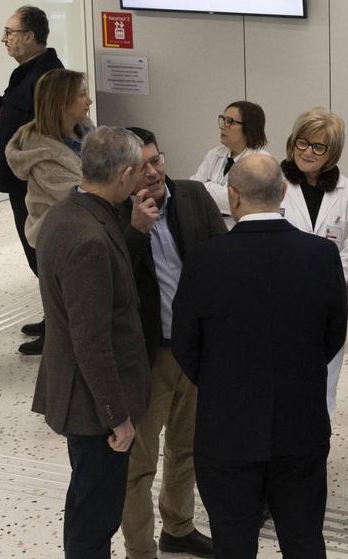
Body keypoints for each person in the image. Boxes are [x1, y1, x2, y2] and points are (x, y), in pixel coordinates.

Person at [172, 154, 347, 559]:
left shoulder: (204, 260)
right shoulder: (321, 256)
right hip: (300, 426)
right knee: (304, 539)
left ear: (232, 196)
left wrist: (219, 381)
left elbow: (185, 342)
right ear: (283, 191)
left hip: (227, 430)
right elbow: (333, 335)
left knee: (232, 542)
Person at [32, 127, 151, 559]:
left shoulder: (68, 212)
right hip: (94, 405)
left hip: (82, 395)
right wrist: (117, 417)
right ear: (124, 175)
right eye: (138, 170)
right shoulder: (88, 238)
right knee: (96, 517)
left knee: (86, 500)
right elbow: (92, 341)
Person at [119, 127, 224, 559]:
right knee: (139, 462)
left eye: (156, 160)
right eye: (140, 166)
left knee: (187, 448)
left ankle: (178, 528)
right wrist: (136, 231)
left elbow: (222, 262)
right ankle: (140, 549)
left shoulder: (194, 197)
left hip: (195, 351)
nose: (152, 172)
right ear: (124, 173)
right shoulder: (116, 215)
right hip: (149, 356)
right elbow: (111, 280)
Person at [0, 5, 63, 343]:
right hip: (18, 180)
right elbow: (20, 116)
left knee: (43, 253)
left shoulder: (49, 76)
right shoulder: (24, 72)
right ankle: (52, 316)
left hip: (35, 183)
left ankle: (59, 327)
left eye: (10, 32)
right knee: (33, 252)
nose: (4, 39)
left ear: (29, 36)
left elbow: (49, 130)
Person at [279, 107, 348, 412]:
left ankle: (319, 435)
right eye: (302, 142)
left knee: (324, 383)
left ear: (333, 152)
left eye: (319, 146)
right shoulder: (275, 183)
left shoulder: (347, 191)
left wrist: (326, 286)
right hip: (281, 296)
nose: (308, 152)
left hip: (326, 300)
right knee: (283, 380)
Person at [5, 68, 94, 355]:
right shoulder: (41, 151)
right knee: (68, 305)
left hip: (85, 231)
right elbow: (81, 195)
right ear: (61, 102)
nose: (89, 101)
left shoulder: (85, 131)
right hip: (60, 236)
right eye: (82, 95)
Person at [190, 101, 270, 228]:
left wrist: (207, 185)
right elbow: (193, 190)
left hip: (241, 229)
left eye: (229, 121)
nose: (222, 126)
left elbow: (241, 202)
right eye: (223, 119)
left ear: (249, 127)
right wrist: (222, 193)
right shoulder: (214, 154)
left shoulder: (261, 161)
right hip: (209, 226)